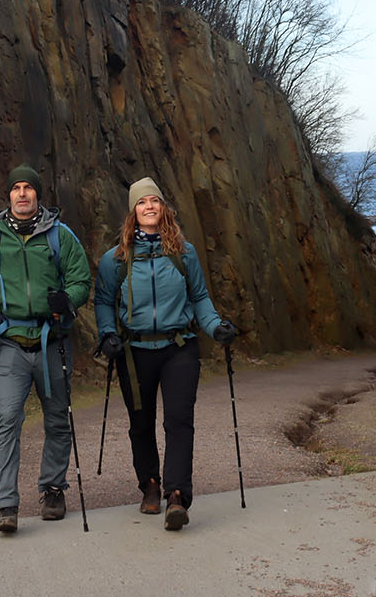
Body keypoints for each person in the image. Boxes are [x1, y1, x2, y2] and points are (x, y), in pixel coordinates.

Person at [94, 176, 237, 531]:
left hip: (179, 347)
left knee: (179, 421)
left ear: (163, 207)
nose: (149, 207)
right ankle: (150, 486)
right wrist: (108, 334)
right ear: (133, 211)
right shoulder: (116, 259)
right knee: (140, 425)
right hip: (134, 352)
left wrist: (215, 326)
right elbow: (102, 301)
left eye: (154, 201)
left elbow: (200, 298)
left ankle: (176, 494)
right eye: (142, 203)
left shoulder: (183, 253)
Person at [0, 164, 91, 533]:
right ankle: (5, 504)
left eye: (29, 188)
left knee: (57, 419)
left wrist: (66, 299)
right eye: (16, 188)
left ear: (38, 194)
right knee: (7, 420)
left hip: (52, 341)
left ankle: (53, 489)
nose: (22, 194)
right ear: (8, 195)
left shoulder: (60, 236)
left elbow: (81, 279)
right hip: (8, 344)